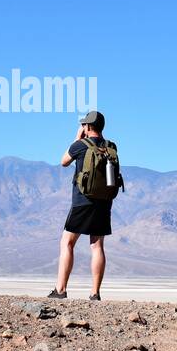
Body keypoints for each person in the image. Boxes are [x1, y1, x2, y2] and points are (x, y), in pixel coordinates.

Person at [49, 110, 115, 301]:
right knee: (97, 245)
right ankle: (95, 293)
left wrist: (76, 138)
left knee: (67, 243)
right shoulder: (111, 146)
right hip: (104, 202)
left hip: (82, 201)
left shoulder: (80, 145)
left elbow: (63, 162)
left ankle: (60, 290)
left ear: (87, 126)